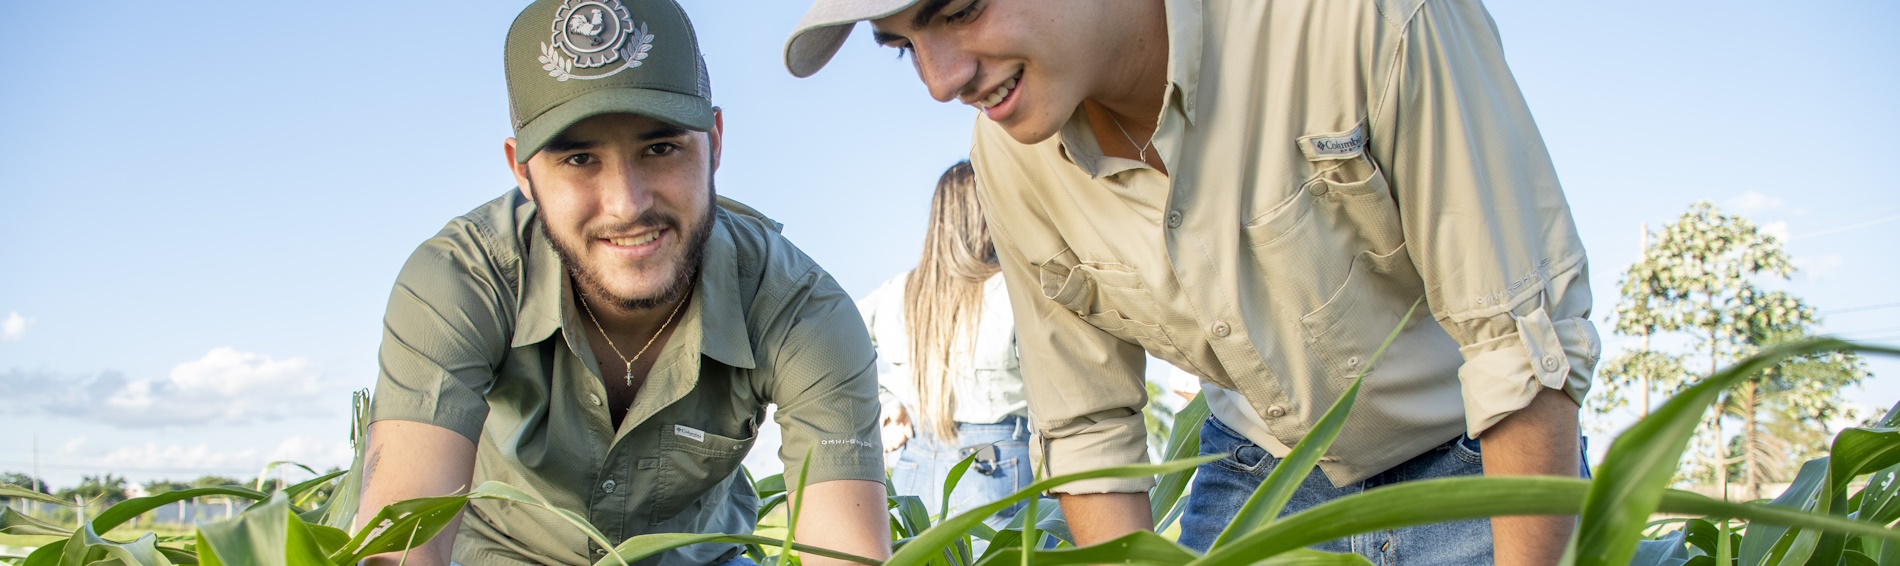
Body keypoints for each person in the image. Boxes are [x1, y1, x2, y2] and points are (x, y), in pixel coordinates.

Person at [781, 0, 1597, 563]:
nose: (939, 78)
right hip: (1258, 471)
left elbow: (1516, 344)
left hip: (1479, 467)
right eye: (900, 44)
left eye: (958, 8)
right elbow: (1088, 424)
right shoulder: (1008, 155)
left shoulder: (1358, 20)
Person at [355, 1, 892, 564]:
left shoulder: (802, 310)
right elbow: (401, 545)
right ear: (523, 173)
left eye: (660, 148)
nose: (627, 204)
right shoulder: (460, 280)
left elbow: (843, 550)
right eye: (579, 158)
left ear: (715, 140)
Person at [857, 161, 1031, 523]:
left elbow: (832, 339)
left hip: (915, 464)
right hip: (996, 461)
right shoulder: (1014, 289)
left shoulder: (899, 292)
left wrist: (886, 402)